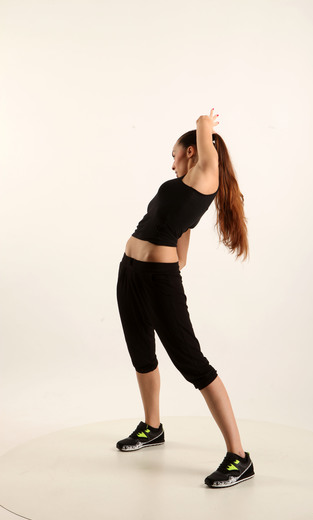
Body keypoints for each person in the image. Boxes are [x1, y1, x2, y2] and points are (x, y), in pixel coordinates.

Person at [115, 108, 254, 488]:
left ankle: (239, 457)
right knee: (141, 352)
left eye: (175, 153)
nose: (171, 160)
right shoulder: (186, 188)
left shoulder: (206, 174)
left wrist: (204, 122)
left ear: (192, 152)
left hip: (158, 279)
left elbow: (203, 130)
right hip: (131, 272)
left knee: (192, 363)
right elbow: (182, 237)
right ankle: (152, 426)